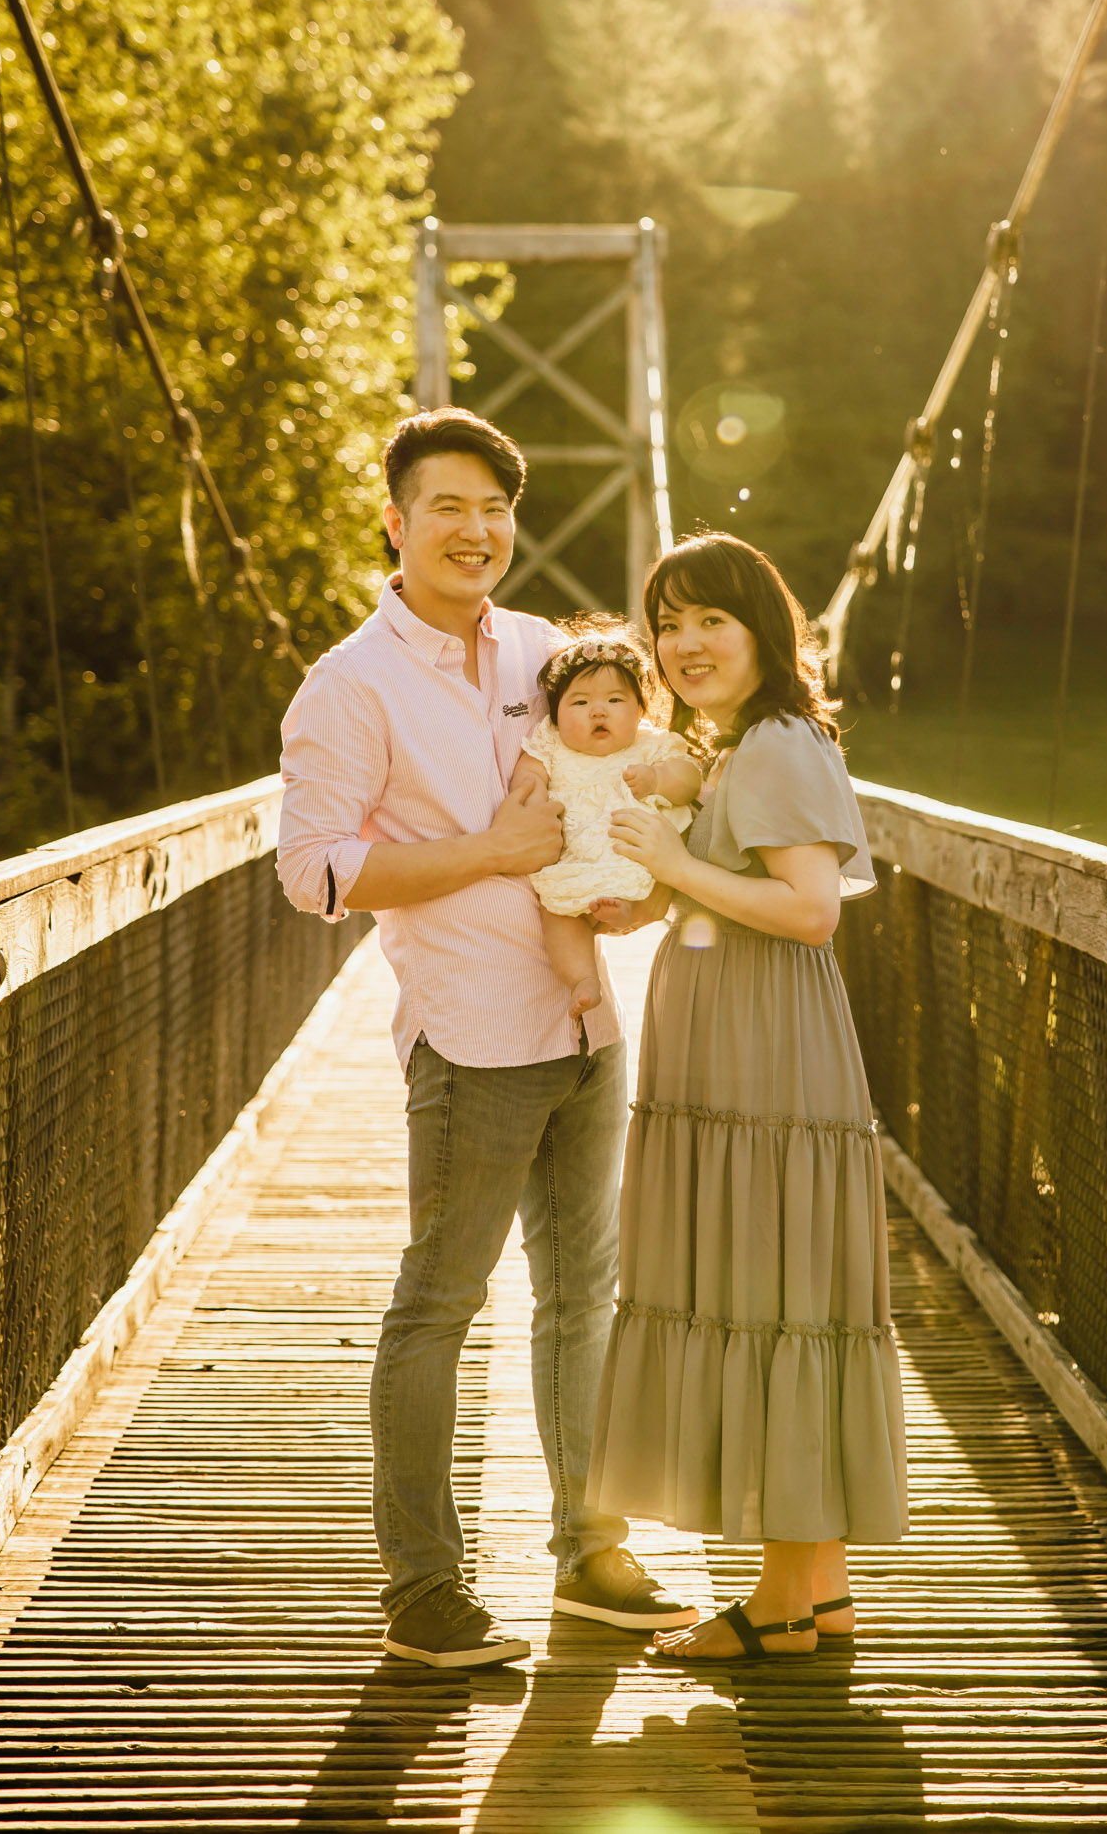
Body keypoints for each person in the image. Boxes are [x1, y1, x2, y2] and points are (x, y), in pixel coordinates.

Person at [275, 408, 696, 1670]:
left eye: (494, 508)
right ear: (395, 524)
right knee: (436, 1308)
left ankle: (588, 1553)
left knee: (582, 1298)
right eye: (446, 506)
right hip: (466, 1039)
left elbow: (622, 790)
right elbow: (314, 871)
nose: (475, 529)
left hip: (586, 1022)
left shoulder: (549, 653)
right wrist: (495, 853)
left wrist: (649, 892)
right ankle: (421, 1588)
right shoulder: (348, 684)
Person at [586, 531, 908, 1663]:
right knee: (787, 1299)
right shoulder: (751, 747)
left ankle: (774, 1603)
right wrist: (663, 874)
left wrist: (673, 868)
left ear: (762, 630)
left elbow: (810, 907)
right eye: (665, 623)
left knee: (765, 1290)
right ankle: (812, 1593)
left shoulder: (770, 743)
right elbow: (740, 889)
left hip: (761, 1066)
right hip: (746, 1054)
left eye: (706, 620)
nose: (681, 644)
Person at [513, 631, 702, 1029]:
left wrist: (658, 779)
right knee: (559, 914)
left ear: (639, 710)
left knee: (636, 888)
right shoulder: (550, 744)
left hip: (634, 851)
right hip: (574, 857)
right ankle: (583, 977)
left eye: (615, 700)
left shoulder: (651, 747)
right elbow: (528, 773)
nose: (598, 711)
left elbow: (690, 781)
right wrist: (529, 798)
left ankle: (627, 911)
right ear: (556, 715)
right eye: (580, 703)